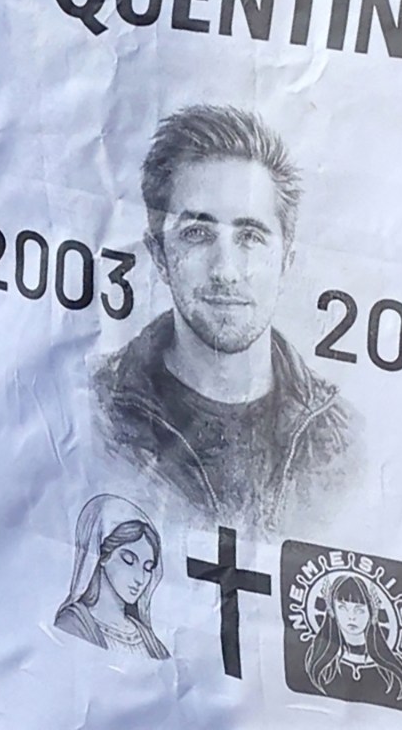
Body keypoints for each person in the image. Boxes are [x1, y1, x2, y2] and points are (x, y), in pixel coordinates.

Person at [92, 104, 357, 531]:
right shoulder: (92, 410)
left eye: (250, 236)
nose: (225, 270)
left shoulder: (341, 440)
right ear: (160, 255)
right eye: (197, 233)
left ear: (286, 260)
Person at [53, 494, 170, 659]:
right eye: (129, 561)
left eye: (148, 568)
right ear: (102, 556)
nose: (140, 579)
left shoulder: (150, 642)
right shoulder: (72, 625)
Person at [302, 573, 402, 705]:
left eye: (359, 610)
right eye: (342, 608)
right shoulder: (320, 659)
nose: (351, 617)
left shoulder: (388, 672)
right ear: (332, 610)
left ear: (372, 613)